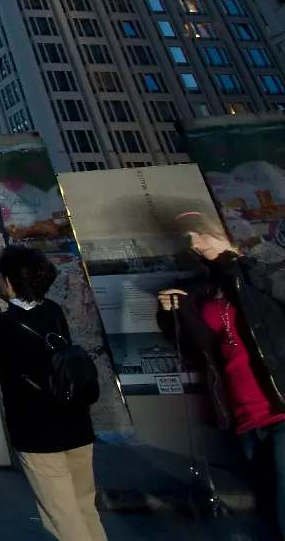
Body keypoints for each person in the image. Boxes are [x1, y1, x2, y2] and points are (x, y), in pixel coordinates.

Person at [0, 248, 105, 541]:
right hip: (76, 424)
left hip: (37, 433)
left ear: (9, 283)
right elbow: (15, 295)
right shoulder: (53, 312)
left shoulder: (0, 325)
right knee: (85, 506)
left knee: (62, 516)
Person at [157, 210, 285, 539]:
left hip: (278, 401)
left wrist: (233, 261)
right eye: (190, 239)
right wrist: (171, 314)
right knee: (265, 505)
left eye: (201, 234)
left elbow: (268, 290)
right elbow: (197, 349)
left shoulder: (262, 271)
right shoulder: (204, 285)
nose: (196, 243)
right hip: (241, 412)